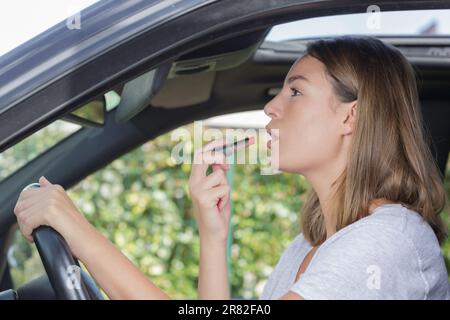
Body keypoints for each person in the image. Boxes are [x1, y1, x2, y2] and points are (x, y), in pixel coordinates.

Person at [14, 36, 449, 300]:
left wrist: (76, 229)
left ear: (349, 117)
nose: (271, 107)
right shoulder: (309, 245)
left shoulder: (387, 240)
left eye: (295, 92)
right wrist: (213, 234)